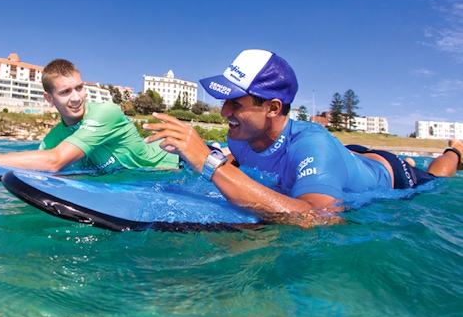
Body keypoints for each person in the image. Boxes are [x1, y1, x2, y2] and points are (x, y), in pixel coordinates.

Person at [143, 49, 462, 224]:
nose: (224, 112)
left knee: (436, 177)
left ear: (273, 107)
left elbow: (320, 217)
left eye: (235, 103)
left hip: (392, 174)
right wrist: (200, 156)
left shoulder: (312, 144)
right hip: (342, 159)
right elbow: (234, 162)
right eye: (224, 101)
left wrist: (213, 165)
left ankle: (456, 150)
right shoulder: (241, 137)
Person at [0, 59, 180, 172]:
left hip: (173, 168)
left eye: (79, 88)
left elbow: (54, 162)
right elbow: (40, 169)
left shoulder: (106, 112)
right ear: (50, 99)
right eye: (65, 92)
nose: (76, 98)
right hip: (131, 183)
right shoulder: (52, 140)